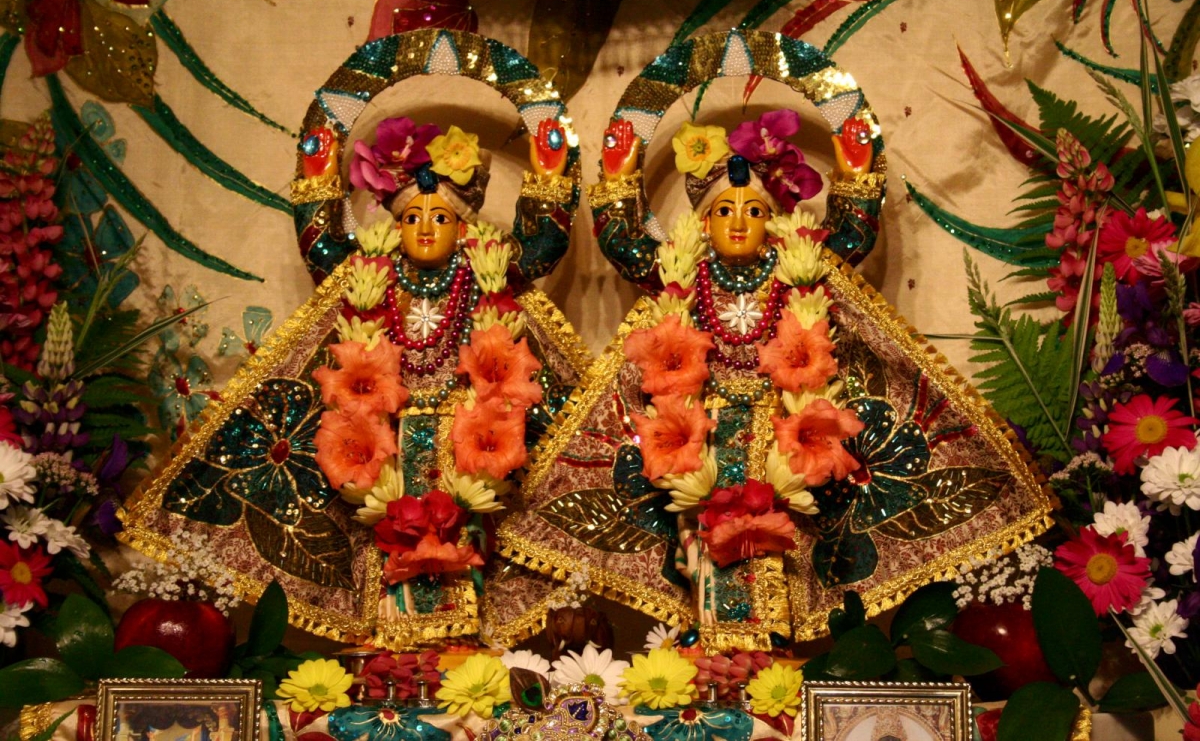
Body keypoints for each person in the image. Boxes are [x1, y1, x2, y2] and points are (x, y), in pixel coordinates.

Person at [499, 98, 1050, 649]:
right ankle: (709, 638)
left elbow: (849, 240)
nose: (739, 222)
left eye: (754, 211)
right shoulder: (685, 275)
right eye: (724, 211)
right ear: (702, 222)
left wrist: (855, 177)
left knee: (783, 538)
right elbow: (628, 249)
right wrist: (618, 182)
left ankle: (777, 642)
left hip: (782, 433)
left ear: (774, 220)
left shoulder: (797, 270)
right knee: (701, 538)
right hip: (702, 437)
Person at [122, 109, 592, 649]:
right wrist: (317, 177)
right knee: (387, 530)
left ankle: (466, 639)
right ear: (395, 225)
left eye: (440, 217)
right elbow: (323, 247)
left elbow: (541, 248)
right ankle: (388, 644)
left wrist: (549, 177)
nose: (424, 228)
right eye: (411, 217)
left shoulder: (486, 273)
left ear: (464, 227)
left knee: (466, 530)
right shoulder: (371, 276)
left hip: (466, 438)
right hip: (386, 438)